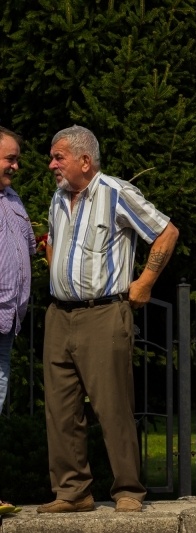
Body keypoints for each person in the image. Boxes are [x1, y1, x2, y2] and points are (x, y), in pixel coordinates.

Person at [39, 125, 179, 513]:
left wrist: (146, 282)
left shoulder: (116, 193)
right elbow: (53, 242)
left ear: (85, 160)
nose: (52, 164)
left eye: (58, 156)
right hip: (58, 314)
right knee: (60, 409)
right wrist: (59, 276)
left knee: (112, 405)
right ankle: (72, 491)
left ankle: (128, 490)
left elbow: (166, 232)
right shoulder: (57, 197)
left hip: (103, 313)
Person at [0, 127, 35, 515]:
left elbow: (27, 246)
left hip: (8, 323)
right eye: (10, 158)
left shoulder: (12, 199)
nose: (16, 165)